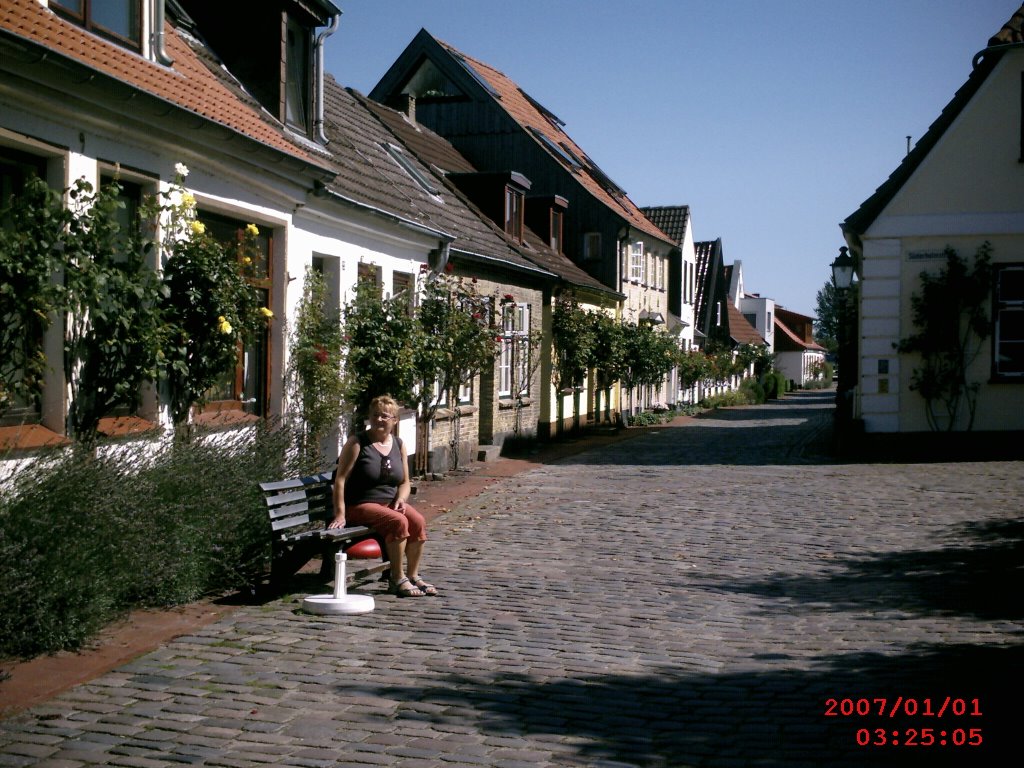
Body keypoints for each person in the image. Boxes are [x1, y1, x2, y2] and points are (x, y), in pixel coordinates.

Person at [329, 395, 437, 597]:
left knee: (418, 521)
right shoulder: (357, 443)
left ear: (395, 420)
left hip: (388, 503)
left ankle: (413, 576)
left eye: (385, 416)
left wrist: (400, 499)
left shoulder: (398, 444)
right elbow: (340, 480)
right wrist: (340, 514)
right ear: (369, 417)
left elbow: (405, 481)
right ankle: (396, 578)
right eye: (375, 415)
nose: (379, 420)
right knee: (398, 522)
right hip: (360, 504)